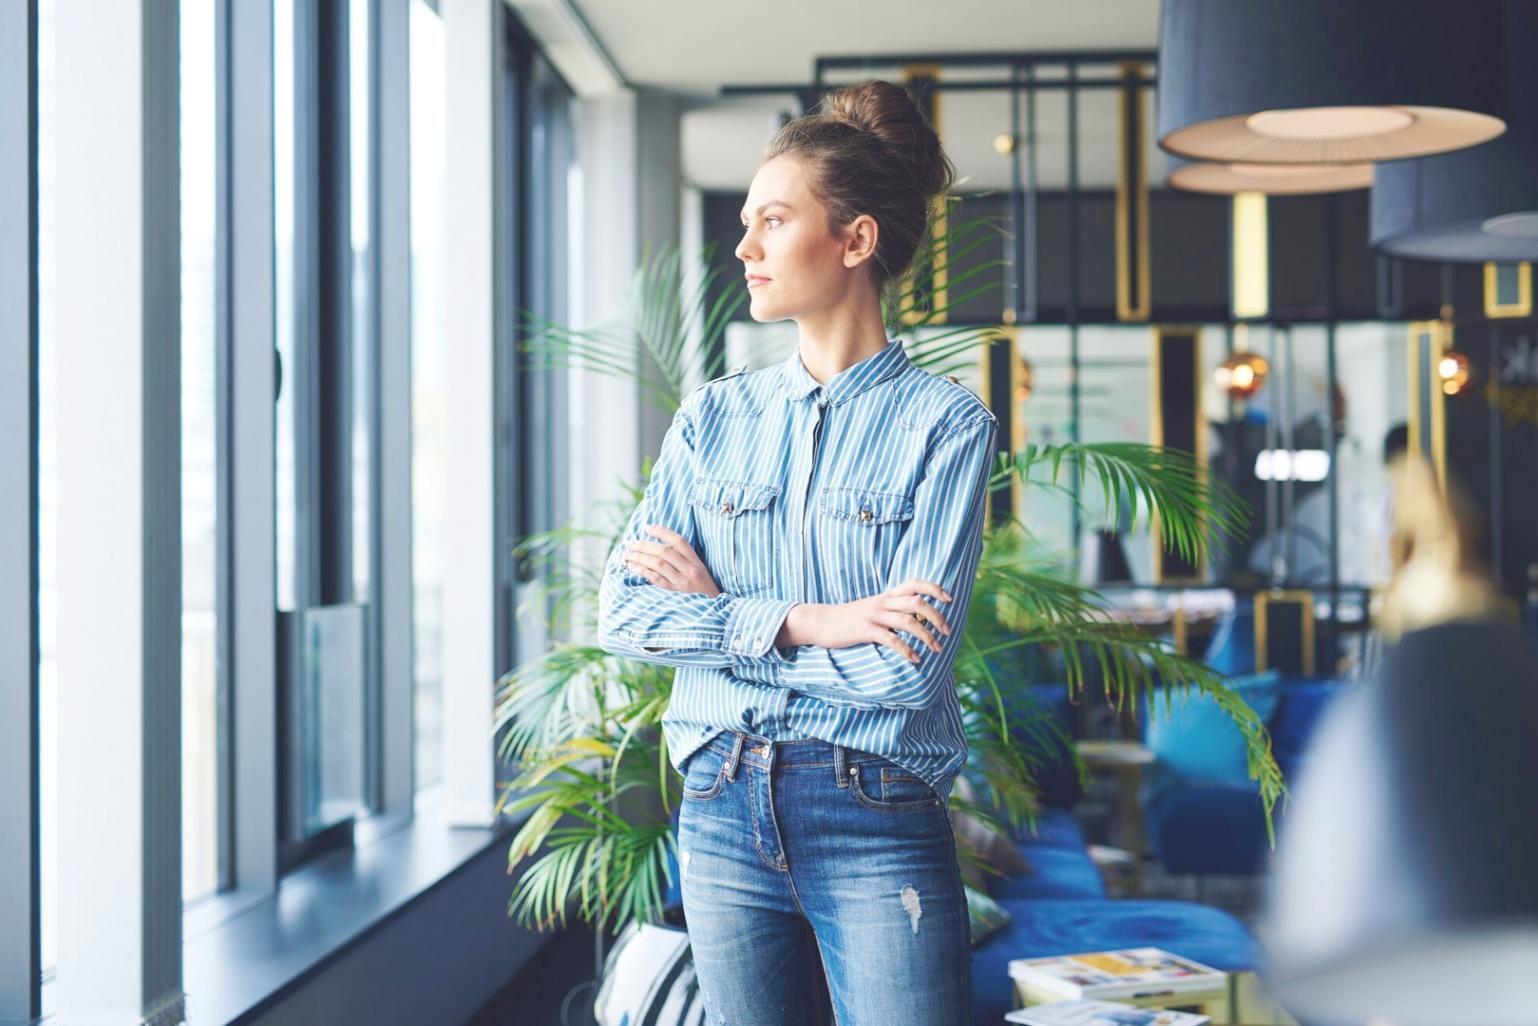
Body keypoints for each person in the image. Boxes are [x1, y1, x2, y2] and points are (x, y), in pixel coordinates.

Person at [596, 79, 994, 1026]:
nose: (744, 248)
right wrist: (806, 622)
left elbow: (904, 671)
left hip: (876, 812)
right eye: (746, 223)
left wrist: (719, 622)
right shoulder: (712, 420)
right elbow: (624, 614)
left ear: (854, 241)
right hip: (720, 805)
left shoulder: (947, 427)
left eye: (773, 222)